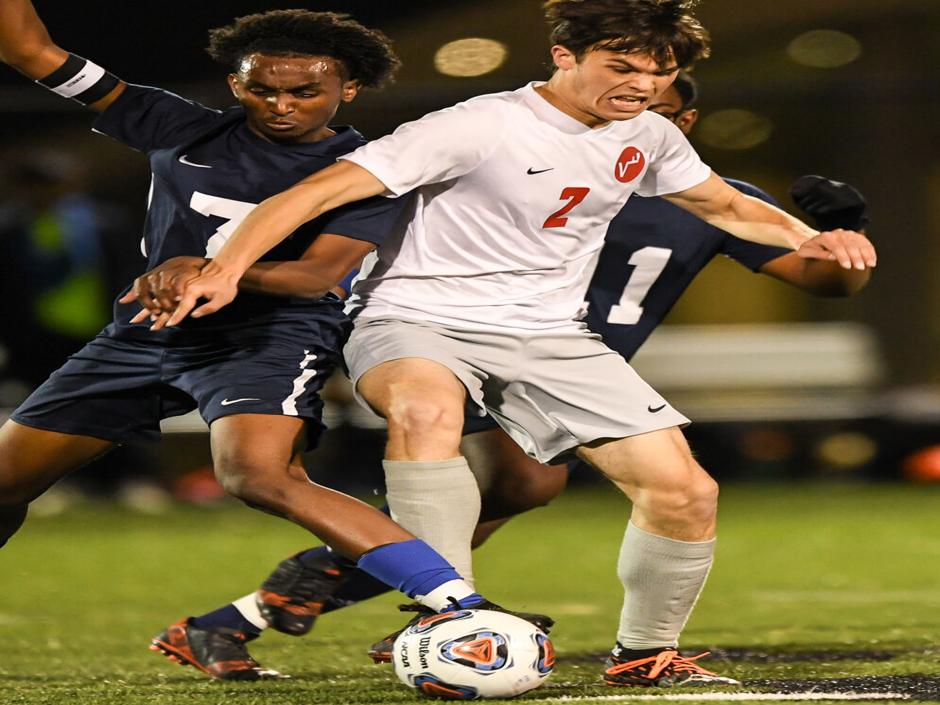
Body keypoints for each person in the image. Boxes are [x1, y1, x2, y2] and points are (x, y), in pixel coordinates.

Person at [153, 0, 876, 688]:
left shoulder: (650, 134)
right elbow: (311, 193)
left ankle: (647, 654)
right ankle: (445, 616)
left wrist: (816, 237)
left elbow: (723, 203)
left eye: (656, 73)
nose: (642, 85)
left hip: (549, 331)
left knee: (685, 491)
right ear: (564, 55)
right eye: (622, 67)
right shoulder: (480, 124)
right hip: (416, 316)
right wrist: (225, 268)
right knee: (425, 414)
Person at [0, 1, 542, 682]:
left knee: (256, 474)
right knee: (6, 480)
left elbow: (316, 274)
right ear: (236, 83)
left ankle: (457, 604)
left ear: (349, 88)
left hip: (270, 335)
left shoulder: (370, 167)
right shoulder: (177, 125)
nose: (280, 104)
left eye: (303, 91)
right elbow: (29, 50)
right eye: (263, 88)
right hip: (145, 333)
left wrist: (206, 268)